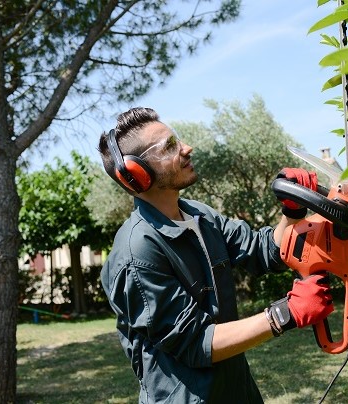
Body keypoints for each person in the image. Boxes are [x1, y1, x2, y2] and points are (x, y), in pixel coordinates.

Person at [98, 107, 334, 403]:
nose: (186, 148)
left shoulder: (200, 216)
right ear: (137, 174)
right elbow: (196, 342)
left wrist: (292, 211)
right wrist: (284, 314)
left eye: (178, 140)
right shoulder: (137, 251)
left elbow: (263, 251)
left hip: (238, 391)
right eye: (170, 146)